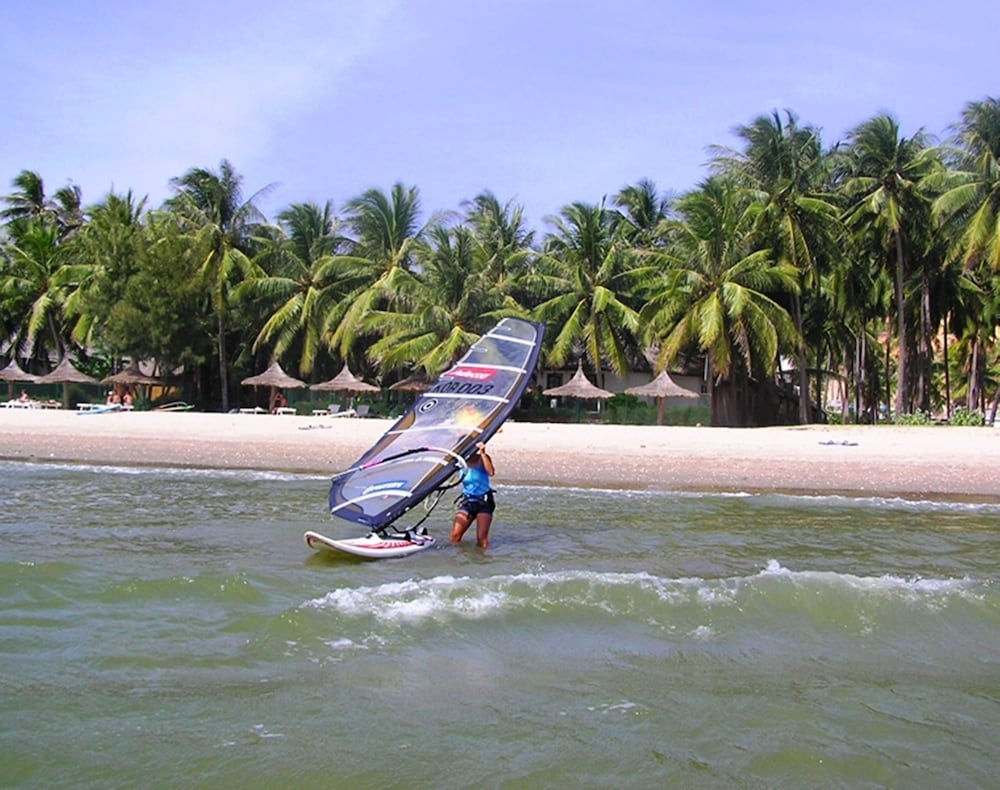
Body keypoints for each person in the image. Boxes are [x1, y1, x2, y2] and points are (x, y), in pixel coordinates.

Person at [450, 441, 496, 549]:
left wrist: (483, 453)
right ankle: (457, 557)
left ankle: (483, 558)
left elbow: (491, 472)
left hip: (484, 502)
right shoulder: (460, 462)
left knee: (481, 539)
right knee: (455, 536)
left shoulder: (482, 458)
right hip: (468, 502)